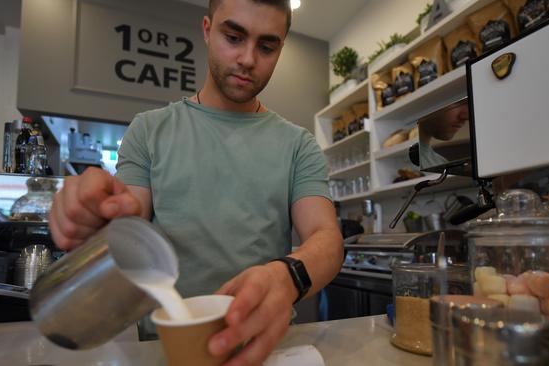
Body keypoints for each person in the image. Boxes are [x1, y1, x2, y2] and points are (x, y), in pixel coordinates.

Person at [48, 0, 343, 365]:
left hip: (262, 341)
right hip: (164, 343)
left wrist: (287, 276)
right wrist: (96, 214)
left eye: (266, 46)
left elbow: (327, 239)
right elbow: (129, 218)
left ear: (281, 47)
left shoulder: (298, 144)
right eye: (233, 37)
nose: (248, 58)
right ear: (207, 30)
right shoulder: (150, 130)